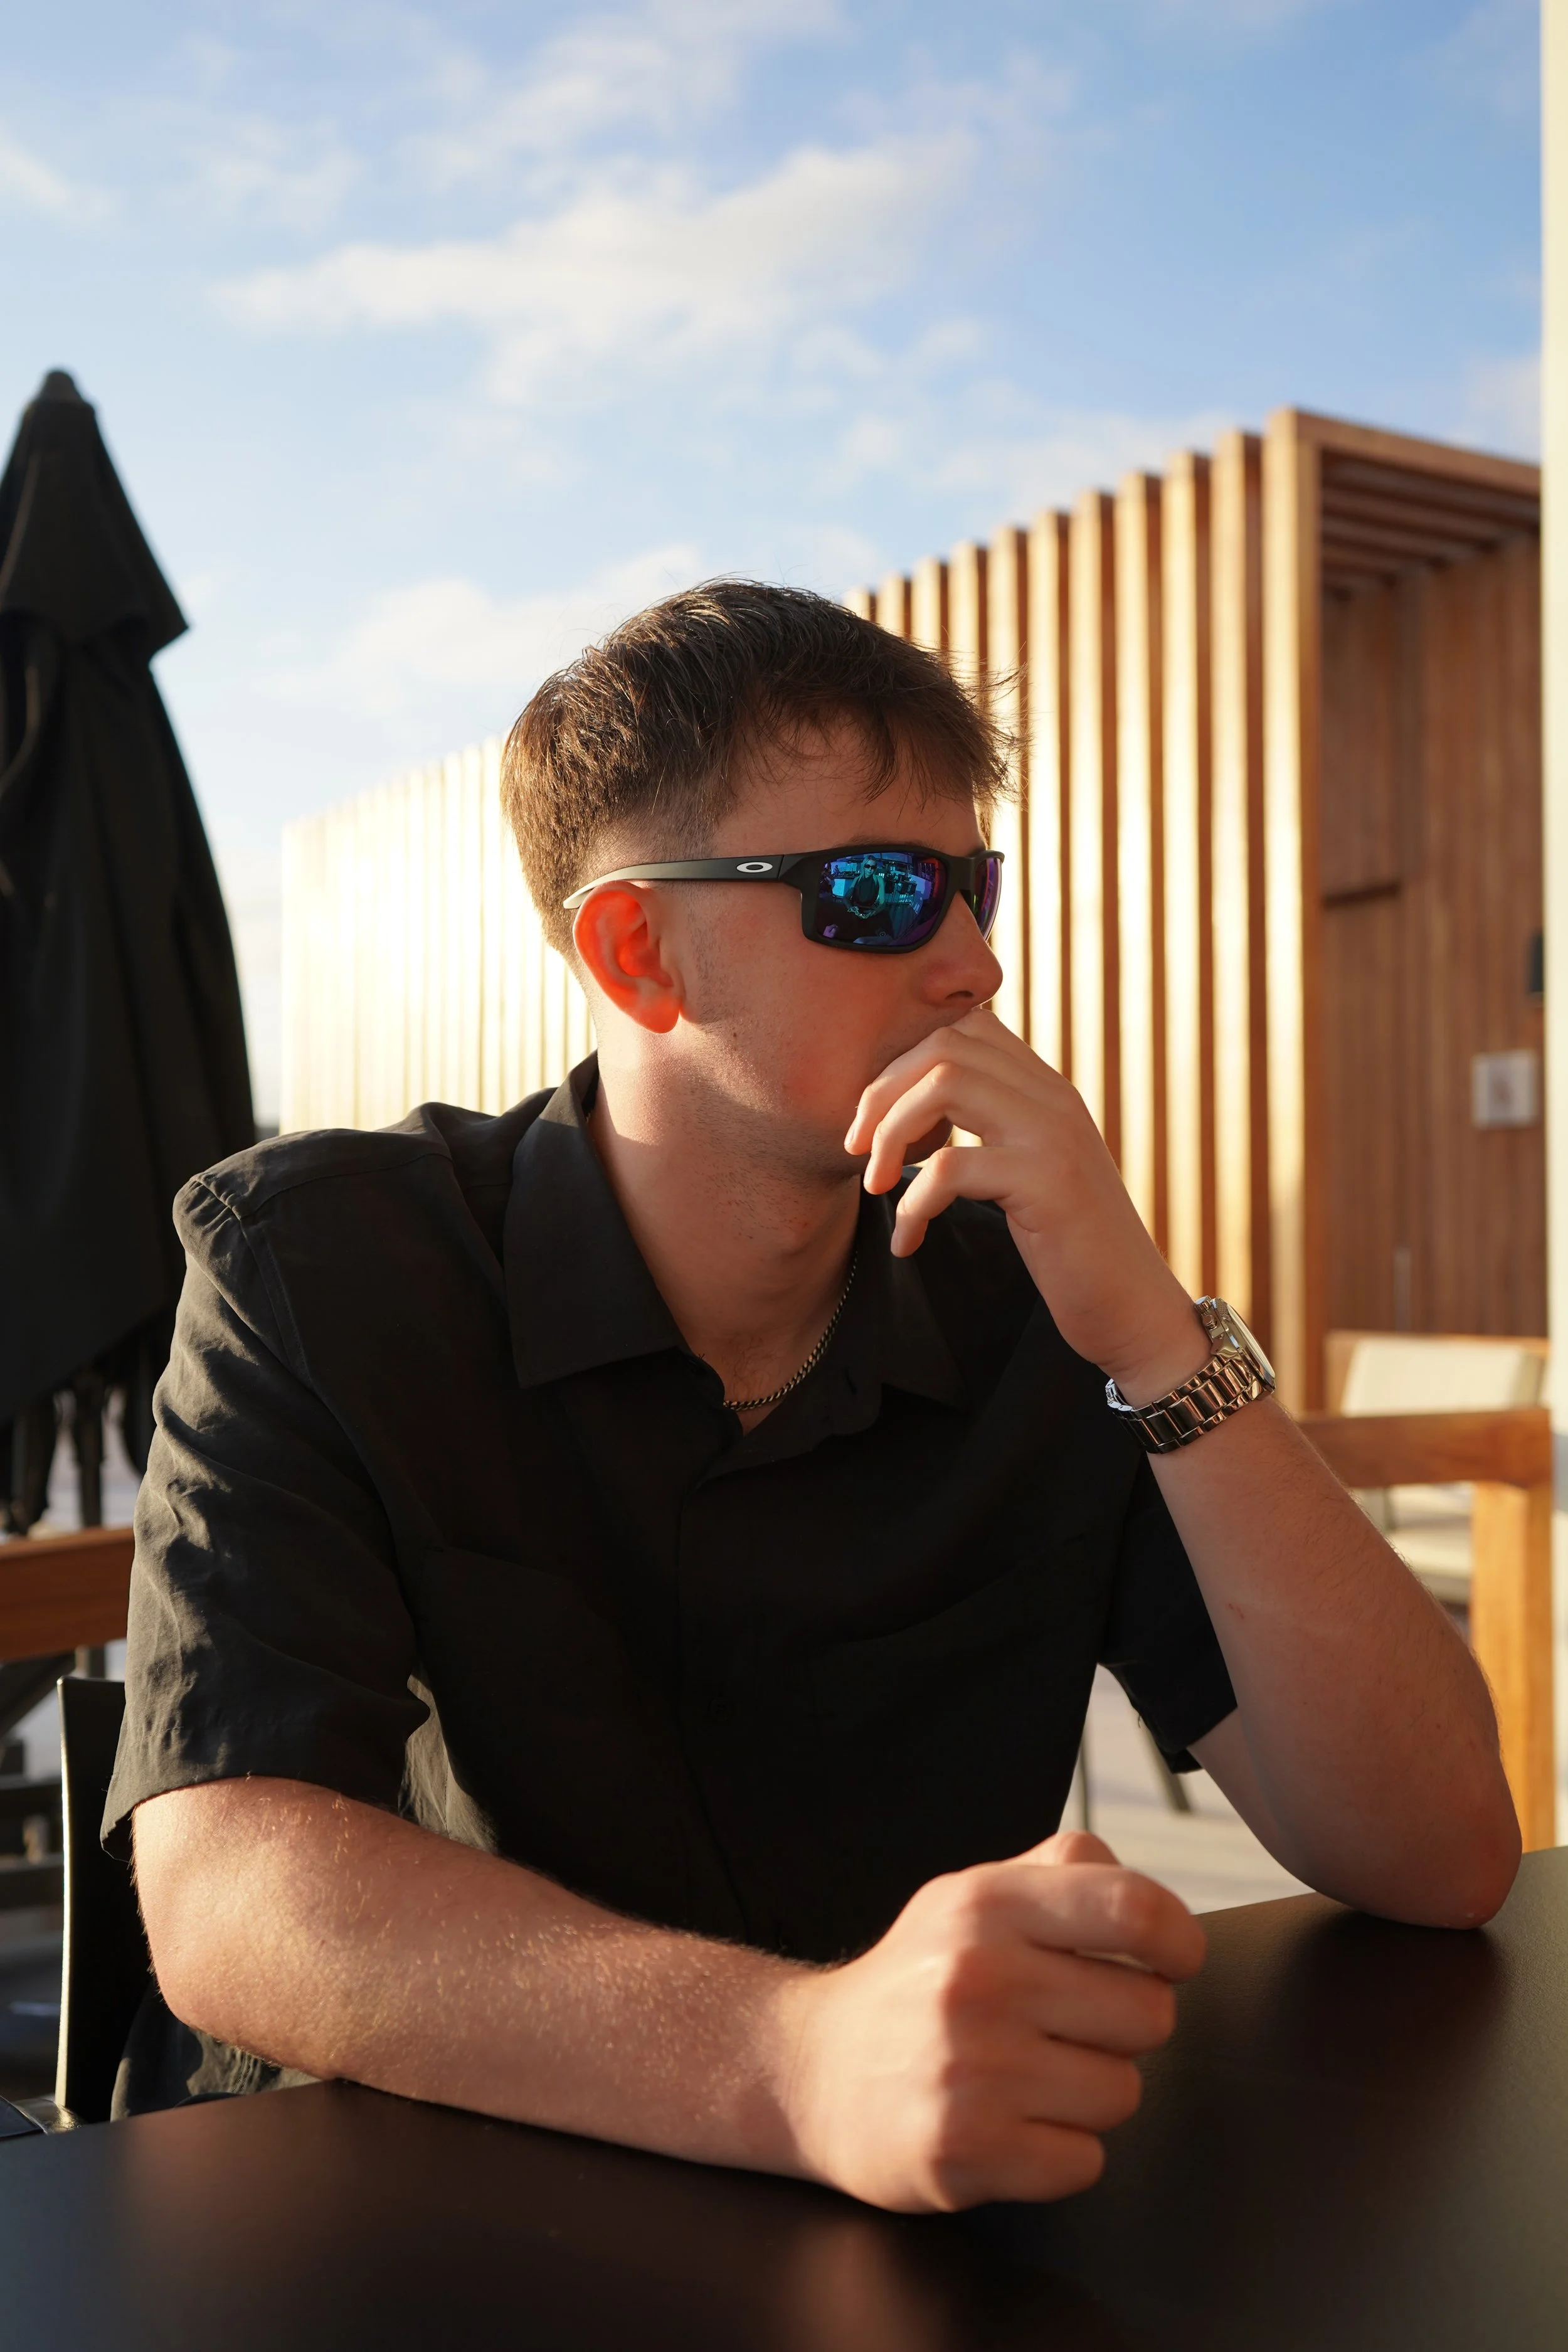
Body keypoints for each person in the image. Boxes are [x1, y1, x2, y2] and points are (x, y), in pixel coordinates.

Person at [119, 583, 1518, 2213]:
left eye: (972, 885)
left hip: (930, 2217)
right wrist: (792, 2054)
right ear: (639, 951)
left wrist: (1150, 1323)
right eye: (877, 891)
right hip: (392, 2219)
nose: (973, 963)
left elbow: (1437, 1856)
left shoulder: (1034, 1307)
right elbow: (224, 1883)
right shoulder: (328, 1266)